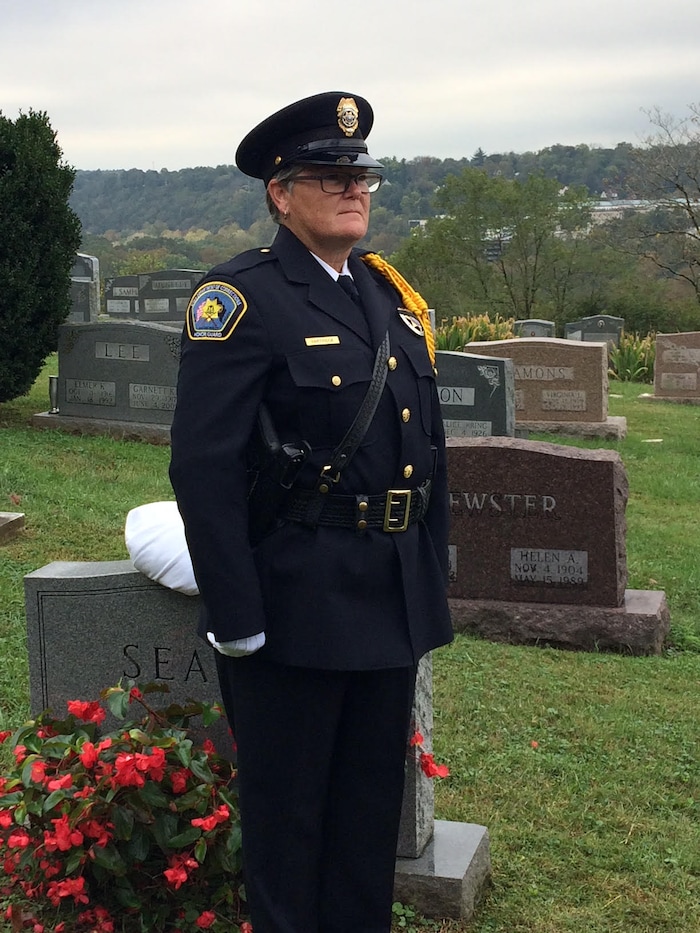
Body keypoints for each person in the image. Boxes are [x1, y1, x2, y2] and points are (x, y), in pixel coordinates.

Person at [169, 91, 453, 933]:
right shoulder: (242, 299)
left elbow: (427, 451)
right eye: (329, 175)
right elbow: (204, 468)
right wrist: (236, 613)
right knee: (290, 831)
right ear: (280, 193)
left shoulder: (389, 298)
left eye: (361, 174)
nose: (353, 188)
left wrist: (430, 578)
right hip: (292, 606)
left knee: (367, 827)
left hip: (386, 598)